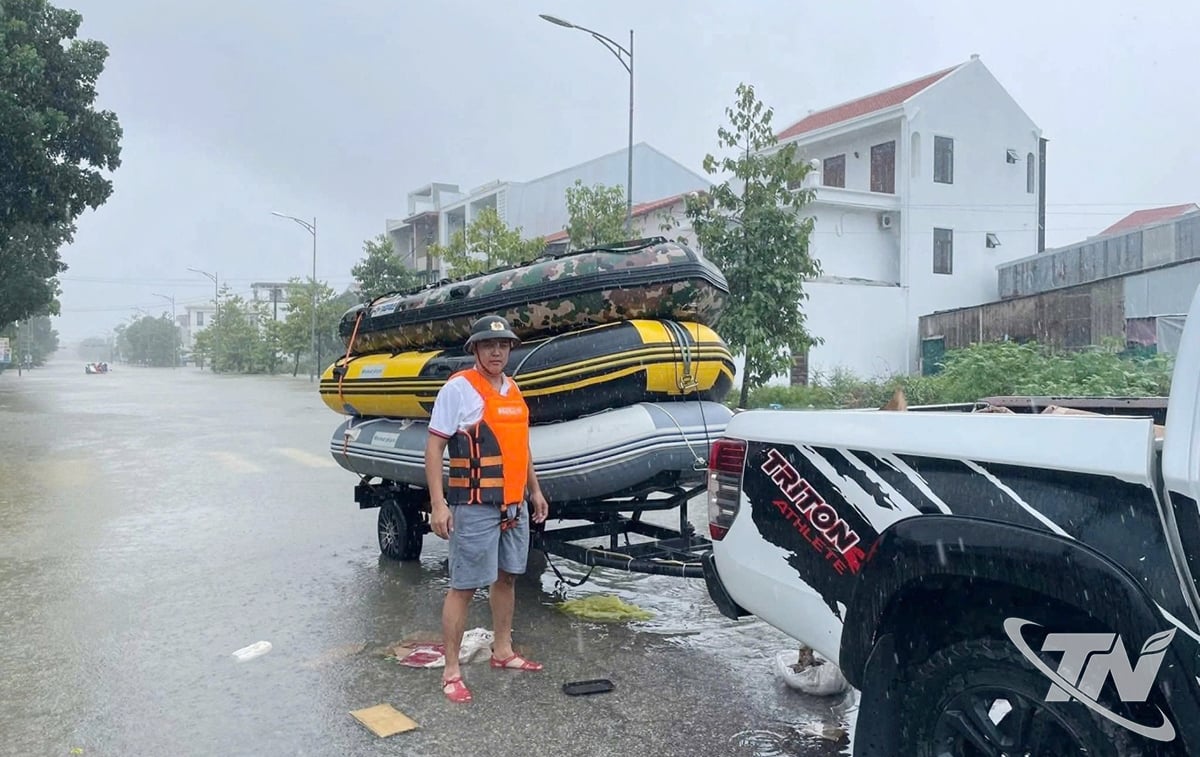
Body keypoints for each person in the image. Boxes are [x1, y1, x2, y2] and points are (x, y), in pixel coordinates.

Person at [424, 314, 550, 704]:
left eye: (503, 345)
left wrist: (535, 491)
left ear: (510, 349)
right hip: (475, 506)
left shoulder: (513, 389)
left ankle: (503, 651)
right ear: (475, 349)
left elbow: (520, 447)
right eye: (488, 345)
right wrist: (439, 504)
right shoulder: (459, 389)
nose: (497, 351)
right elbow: (434, 446)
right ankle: (451, 671)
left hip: (513, 506)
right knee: (463, 586)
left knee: (508, 578)